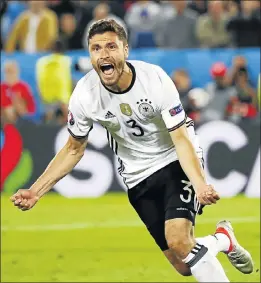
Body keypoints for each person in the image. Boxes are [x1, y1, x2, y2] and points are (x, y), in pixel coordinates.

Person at [10, 19, 253, 282]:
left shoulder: (154, 79)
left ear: (126, 50)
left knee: (180, 240)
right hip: (137, 177)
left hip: (174, 159)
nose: (103, 54)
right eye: (96, 48)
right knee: (185, 265)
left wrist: (200, 184)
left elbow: (181, 139)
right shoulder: (84, 95)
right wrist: (36, 191)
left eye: (111, 46)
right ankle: (221, 239)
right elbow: (73, 148)